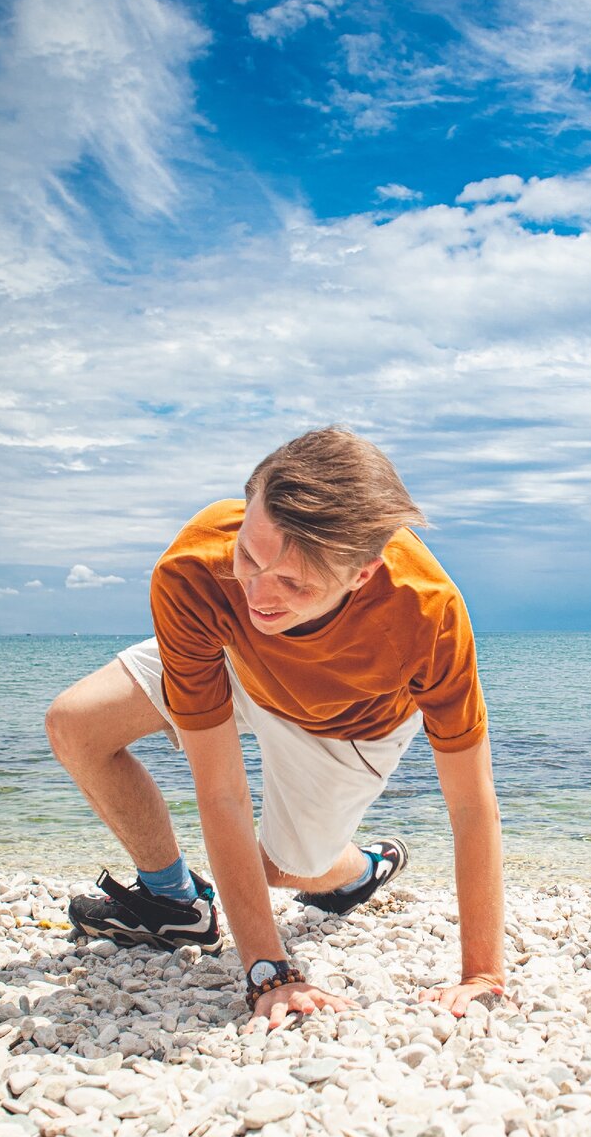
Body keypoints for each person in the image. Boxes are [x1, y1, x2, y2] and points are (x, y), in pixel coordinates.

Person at [45, 427, 504, 1028]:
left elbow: (472, 805)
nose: (256, 592)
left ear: (361, 574)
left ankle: (358, 871)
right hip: (238, 661)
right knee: (75, 726)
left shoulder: (425, 612)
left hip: (349, 724)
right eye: (250, 557)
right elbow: (221, 791)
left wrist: (482, 974)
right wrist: (269, 969)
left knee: (278, 872)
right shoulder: (200, 567)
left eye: (294, 582)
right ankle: (173, 901)